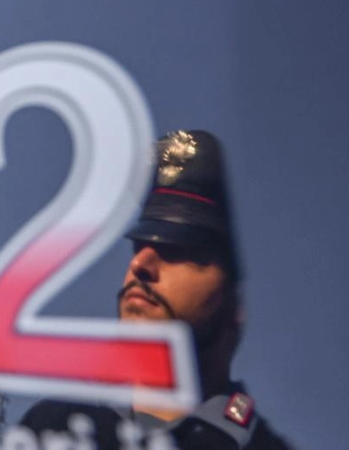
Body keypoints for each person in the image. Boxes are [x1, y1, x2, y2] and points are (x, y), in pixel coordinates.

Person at [21, 130, 292, 449]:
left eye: (179, 249)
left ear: (234, 307)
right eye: (139, 246)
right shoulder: (51, 430)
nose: (140, 264)